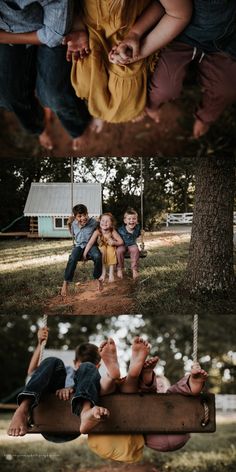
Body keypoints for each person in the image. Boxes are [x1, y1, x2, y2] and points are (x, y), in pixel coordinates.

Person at [112, 0, 236, 138]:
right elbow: (169, 10)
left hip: (227, 41)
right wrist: (136, 40)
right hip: (183, 35)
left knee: (227, 89)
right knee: (164, 88)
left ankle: (205, 118)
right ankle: (152, 107)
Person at [67, 0, 192, 123]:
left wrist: (136, 37)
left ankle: (133, 111)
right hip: (92, 31)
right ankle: (99, 114)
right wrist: (77, 24)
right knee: (87, 81)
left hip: (131, 36)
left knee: (124, 97)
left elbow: (177, 12)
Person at [88, 338, 208, 463]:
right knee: (144, 395)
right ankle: (136, 376)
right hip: (175, 434)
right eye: (158, 383)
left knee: (156, 396)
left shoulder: (166, 395)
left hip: (153, 433)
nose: (160, 386)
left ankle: (123, 376)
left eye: (161, 384)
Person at [0, 0, 94, 151]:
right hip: (6, 30)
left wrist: (4, 38)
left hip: (50, 26)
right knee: (6, 95)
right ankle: (40, 126)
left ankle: (77, 127)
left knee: (53, 95)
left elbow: (54, 35)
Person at [7, 328, 109, 440]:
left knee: (88, 367)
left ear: (98, 367)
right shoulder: (66, 371)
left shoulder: (94, 380)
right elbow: (32, 372)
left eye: (92, 367)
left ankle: (85, 412)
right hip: (47, 421)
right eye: (80, 366)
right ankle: (23, 409)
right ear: (74, 363)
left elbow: (103, 384)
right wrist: (40, 344)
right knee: (52, 361)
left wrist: (73, 388)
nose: (82, 369)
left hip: (74, 424)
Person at [61, 204, 103, 298]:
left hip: (91, 245)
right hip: (79, 246)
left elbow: (104, 226)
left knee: (97, 256)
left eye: (85, 215)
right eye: (80, 216)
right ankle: (66, 282)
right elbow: (72, 233)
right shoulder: (73, 224)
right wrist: (69, 224)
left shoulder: (93, 222)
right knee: (72, 258)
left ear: (87, 213)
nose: (83, 218)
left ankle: (97, 278)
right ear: (75, 217)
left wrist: (100, 220)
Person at [83, 213, 123, 283]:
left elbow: (121, 242)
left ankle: (111, 273)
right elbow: (90, 243)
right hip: (102, 246)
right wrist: (85, 253)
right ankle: (103, 272)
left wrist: (114, 243)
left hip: (111, 246)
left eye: (107, 221)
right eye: (103, 220)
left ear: (111, 223)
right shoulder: (97, 231)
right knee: (102, 252)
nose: (105, 223)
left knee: (111, 251)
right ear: (99, 221)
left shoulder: (112, 231)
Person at [117, 208, 141, 280]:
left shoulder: (137, 228)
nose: (131, 220)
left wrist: (142, 233)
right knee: (119, 251)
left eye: (134, 219)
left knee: (135, 249)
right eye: (129, 219)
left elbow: (138, 234)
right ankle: (119, 269)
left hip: (132, 245)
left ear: (136, 221)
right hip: (122, 245)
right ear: (125, 221)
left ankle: (134, 270)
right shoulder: (120, 230)